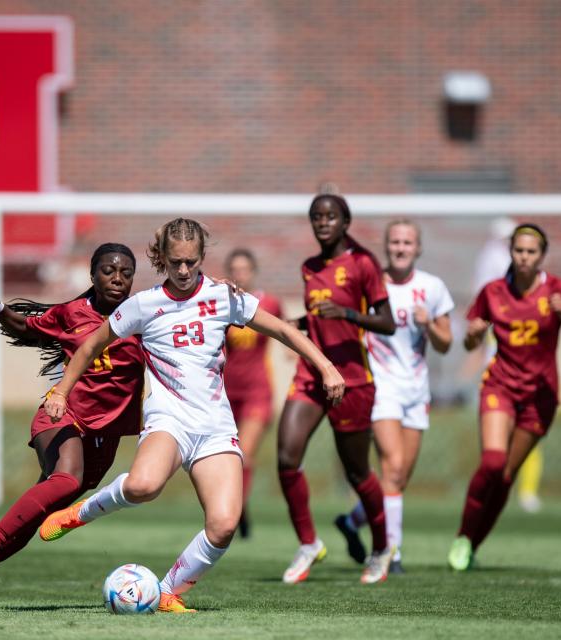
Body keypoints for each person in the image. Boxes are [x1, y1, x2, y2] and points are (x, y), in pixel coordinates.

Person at [38, 218, 345, 613]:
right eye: (175, 262)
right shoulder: (143, 305)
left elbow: (284, 332)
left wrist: (326, 367)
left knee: (223, 525)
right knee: (143, 486)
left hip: (215, 427)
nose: (183, 271)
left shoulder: (224, 296)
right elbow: (90, 345)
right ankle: (79, 513)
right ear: (161, 259)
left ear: (202, 258)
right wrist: (61, 390)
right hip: (169, 418)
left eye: (191, 262)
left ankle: (166, 592)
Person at [0, 243, 144, 609]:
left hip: (106, 433)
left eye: (126, 272)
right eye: (108, 270)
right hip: (61, 411)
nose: (117, 278)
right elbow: (26, 327)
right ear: (92, 275)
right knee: (68, 478)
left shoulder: (144, 316)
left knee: (36, 515)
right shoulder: (72, 313)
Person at [448, 223, 561, 571]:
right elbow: (471, 342)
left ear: (542, 256)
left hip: (539, 396)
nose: (524, 257)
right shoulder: (494, 291)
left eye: (531, 252)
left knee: (507, 475)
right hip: (499, 385)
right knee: (493, 463)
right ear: (510, 252)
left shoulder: (559, 291)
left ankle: (472, 544)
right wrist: (472, 336)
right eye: (518, 251)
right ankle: (462, 535)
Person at [277, 194, 397, 585]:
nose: (323, 222)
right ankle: (308, 543)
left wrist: (346, 313)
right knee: (286, 457)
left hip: (351, 380)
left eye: (330, 216)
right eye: (317, 217)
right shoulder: (309, 267)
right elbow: (319, 319)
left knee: (357, 471)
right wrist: (296, 324)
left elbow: (387, 322)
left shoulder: (363, 263)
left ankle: (381, 548)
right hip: (311, 374)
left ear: (346, 221)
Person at [334, 220, 454, 574]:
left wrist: (429, 323)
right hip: (381, 386)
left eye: (407, 242)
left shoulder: (432, 287)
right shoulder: (372, 285)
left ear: (418, 248)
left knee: (398, 479)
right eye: (395, 242)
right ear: (386, 247)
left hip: (416, 390)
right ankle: (391, 552)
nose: (401, 248)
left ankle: (353, 520)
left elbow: (446, 344)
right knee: (394, 466)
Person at [473, 218, 547, 514]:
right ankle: (500, 486)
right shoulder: (492, 281)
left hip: (529, 371)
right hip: (499, 369)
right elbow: (482, 317)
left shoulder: (542, 287)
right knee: (497, 440)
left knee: (529, 432)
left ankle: (522, 490)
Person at [221, 248, 283, 539]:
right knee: (226, 457)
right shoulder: (221, 305)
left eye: (244, 269)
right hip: (226, 390)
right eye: (235, 269)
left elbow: (284, 330)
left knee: (244, 455)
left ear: (253, 271)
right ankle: (237, 511)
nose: (239, 274)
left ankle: (236, 510)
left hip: (258, 390)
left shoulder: (268, 303)